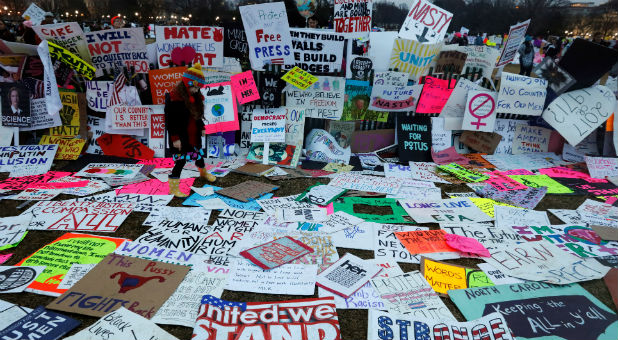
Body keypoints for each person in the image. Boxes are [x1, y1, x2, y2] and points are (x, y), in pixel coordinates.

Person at [165, 63, 216, 197]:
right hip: (181, 137)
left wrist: (202, 128)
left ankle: (203, 173)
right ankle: (174, 187)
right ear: (187, 84)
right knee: (180, 161)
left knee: (199, 155)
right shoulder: (174, 98)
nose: (196, 90)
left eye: (198, 88)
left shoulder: (196, 97)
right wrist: (175, 138)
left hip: (193, 135)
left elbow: (197, 117)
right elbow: (170, 121)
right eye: (195, 87)